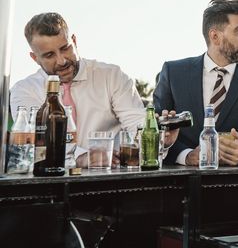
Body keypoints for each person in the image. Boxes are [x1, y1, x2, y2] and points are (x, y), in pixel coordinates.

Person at [9, 13, 162, 168]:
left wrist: (156, 140)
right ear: (35, 58)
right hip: (48, 181)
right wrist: (80, 157)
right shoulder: (24, 90)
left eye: (65, 48)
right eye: (49, 55)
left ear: (74, 41)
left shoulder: (112, 76)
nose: (61, 61)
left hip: (110, 176)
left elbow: (137, 125)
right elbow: (37, 139)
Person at [154, 0, 238, 166]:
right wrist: (186, 156)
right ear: (215, 36)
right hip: (180, 185)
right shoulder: (173, 73)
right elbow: (156, 131)